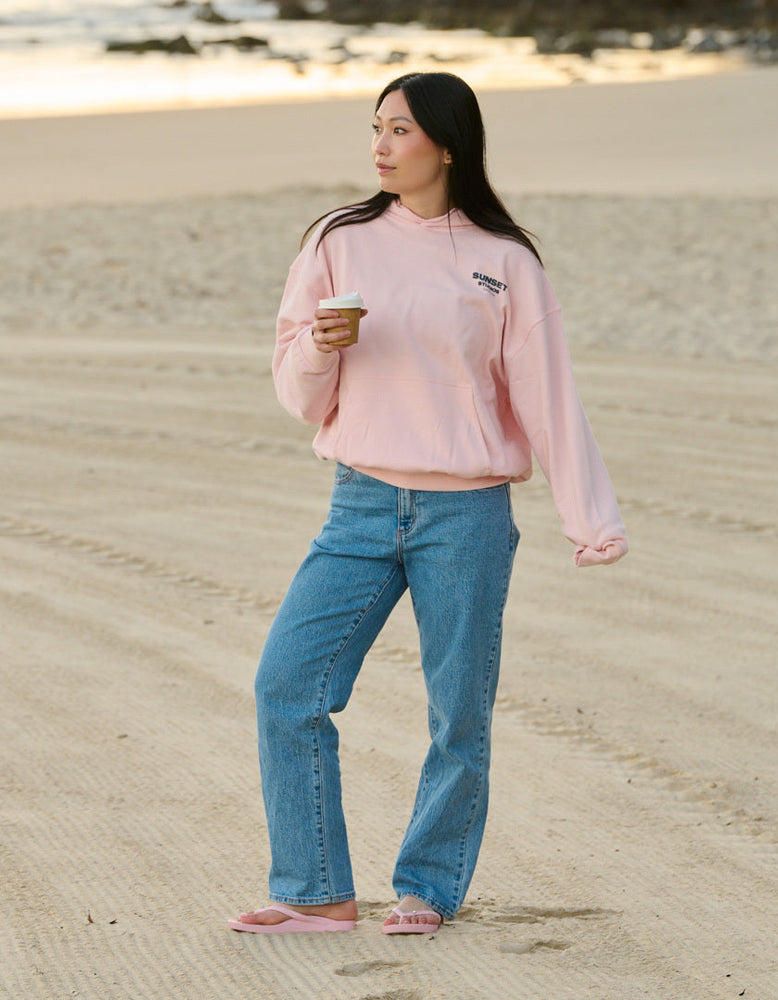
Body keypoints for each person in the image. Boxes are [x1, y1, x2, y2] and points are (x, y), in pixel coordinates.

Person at [228, 71, 627, 936]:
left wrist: (590, 521)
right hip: (359, 506)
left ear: (446, 144)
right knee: (286, 686)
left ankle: (428, 888)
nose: (378, 145)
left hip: (470, 514)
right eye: (373, 127)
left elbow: (549, 400)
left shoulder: (506, 261)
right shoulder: (338, 240)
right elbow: (300, 395)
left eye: (398, 129)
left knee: (458, 712)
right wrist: (321, 350)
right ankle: (315, 888)